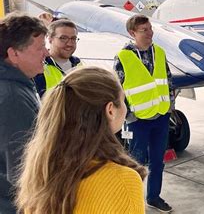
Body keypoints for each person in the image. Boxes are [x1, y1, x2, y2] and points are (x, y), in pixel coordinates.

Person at [16, 66, 147, 213]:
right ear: (110, 110)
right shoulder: (124, 181)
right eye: (123, 100)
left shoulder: (41, 166)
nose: (125, 107)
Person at [114, 14, 174, 212]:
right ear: (132, 33)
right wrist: (129, 115)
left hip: (160, 116)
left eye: (150, 29)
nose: (150, 33)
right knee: (136, 163)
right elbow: (118, 88)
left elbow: (168, 80)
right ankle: (132, 200)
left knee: (158, 162)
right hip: (137, 120)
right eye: (144, 30)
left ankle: (153, 197)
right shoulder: (123, 56)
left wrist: (170, 106)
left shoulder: (160, 52)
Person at [0, 13, 48, 213]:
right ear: (14, 55)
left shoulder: (16, 85)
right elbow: (22, 170)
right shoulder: (13, 98)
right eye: (39, 48)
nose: (46, 53)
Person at [34, 19, 82, 97]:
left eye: (73, 38)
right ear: (49, 39)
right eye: (63, 38)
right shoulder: (38, 67)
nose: (69, 43)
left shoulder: (79, 65)